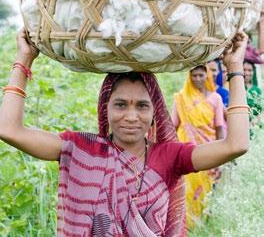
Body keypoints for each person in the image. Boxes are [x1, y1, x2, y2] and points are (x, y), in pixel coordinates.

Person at [0, 29, 250, 237]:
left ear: (155, 112)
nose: (131, 116)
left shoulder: (172, 156)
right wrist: (24, 59)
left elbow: (235, 145)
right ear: (105, 108)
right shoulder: (81, 149)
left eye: (142, 106)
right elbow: (9, 129)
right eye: (121, 104)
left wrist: (235, 68)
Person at [171, 65, 225, 228]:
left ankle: (202, 225)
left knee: (207, 190)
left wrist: (222, 155)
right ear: (189, 77)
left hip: (208, 151)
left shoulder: (216, 98)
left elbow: (220, 127)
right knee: (186, 187)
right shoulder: (181, 98)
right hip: (186, 151)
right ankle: (185, 226)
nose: (198, 79)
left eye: (201, 75)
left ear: (207, 76)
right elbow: (173, 124)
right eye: (194, 75)